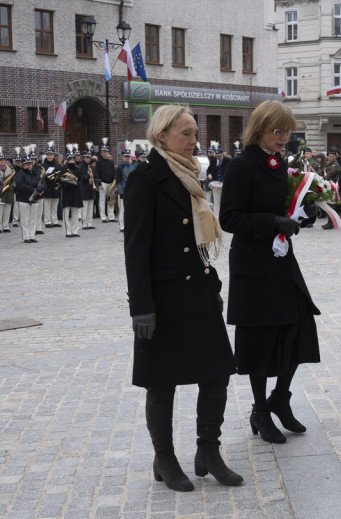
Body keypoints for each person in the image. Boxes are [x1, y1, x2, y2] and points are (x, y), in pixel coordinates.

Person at [124, 104, 239, 492]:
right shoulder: (144, 179)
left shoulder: (190, 175)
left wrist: (214, 287)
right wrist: (140, 308)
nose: (195, 141)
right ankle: (165, 457)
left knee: (217, 373)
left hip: (199, 293)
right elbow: (135, 249)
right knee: (162, 382)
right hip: (164, 298)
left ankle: (208, 450)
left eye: (194, 134)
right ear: (162, 137)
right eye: (186, 134)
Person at [219, 99, 321, 445]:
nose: (284, 137)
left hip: (280, 260)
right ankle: (260, 409)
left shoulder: (280, 165)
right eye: (278, 131)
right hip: (252, 263)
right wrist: (273, 222)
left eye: (287, 131)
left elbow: (284, 206)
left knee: (298, 324)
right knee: (261, 336)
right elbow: (229, 219)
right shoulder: (240, 166)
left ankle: (281, 397)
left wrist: (303, 213)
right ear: (259, 129)